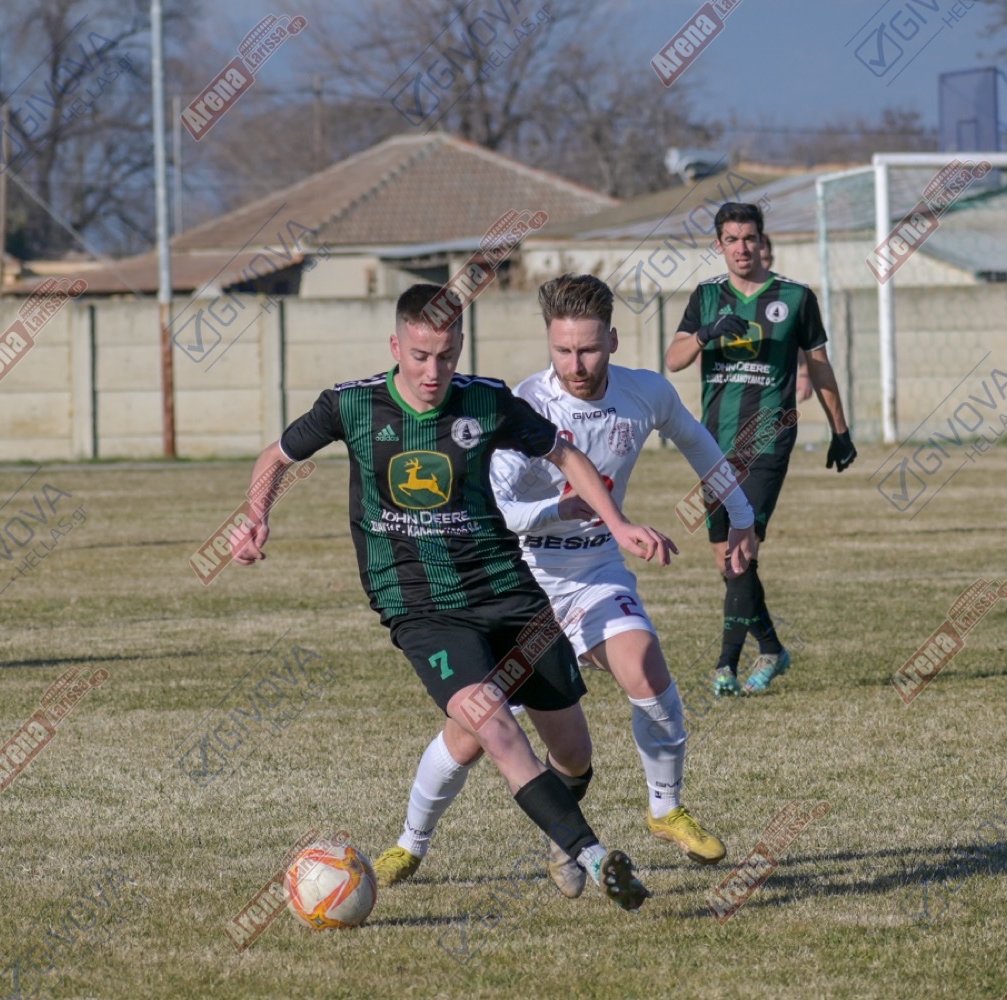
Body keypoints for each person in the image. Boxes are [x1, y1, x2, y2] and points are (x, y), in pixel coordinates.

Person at [231, 283, 677, 909]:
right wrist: (257, 516)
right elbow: (274, 457)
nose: (432, 371)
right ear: (396, 347)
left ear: (461, 346)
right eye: (419, 356)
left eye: (445, 356)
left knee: (573, 751)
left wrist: (619, 523)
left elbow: (565, 454)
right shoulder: (350, 405)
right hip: (418, 601)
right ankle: (595, 855)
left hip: (506, 588)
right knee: (491, 722)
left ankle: (559, 839)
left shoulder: (487, 401)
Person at [372, 274, 757, 893]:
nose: (576, 365)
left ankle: (665, 809)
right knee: (470, 737)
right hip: (518, 586)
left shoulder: (645, 393)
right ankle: (409, 844)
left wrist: (741, 515)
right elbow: (495, 510)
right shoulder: (525, 406)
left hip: (596, 574)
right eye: (563, 351)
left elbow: (699, 443)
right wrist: (559, 509)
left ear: (613, 339)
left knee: (645, 666)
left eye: (589, 349)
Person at [665, 202, 856, 697]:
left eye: (749, 238)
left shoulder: (795, 297)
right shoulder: (707, 297)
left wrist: (840, 430)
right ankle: (771, 648)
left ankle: (725, 666)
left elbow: (819, 366)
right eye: (731, 239)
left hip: (768, 438)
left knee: (741, 549)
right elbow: (674, 360)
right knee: (724, 558)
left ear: (761, 242)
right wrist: (706, 334)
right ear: (719, 245)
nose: (742, 247)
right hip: (713, 442)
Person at [761, 237, 813, 404]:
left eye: (766, 259)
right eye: (757, 259)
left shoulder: (787, 295)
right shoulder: (723, 296)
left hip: (775, 390)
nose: (762, 266)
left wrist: (804, 374)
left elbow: (798, 338)